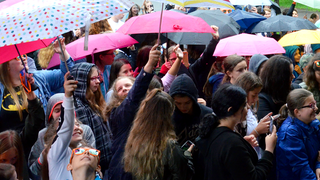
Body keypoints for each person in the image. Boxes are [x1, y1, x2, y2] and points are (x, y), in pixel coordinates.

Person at [196, 84, 277, 180]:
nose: (247, 109)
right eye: (244, 105)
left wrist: (243, 143)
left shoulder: (212, 131)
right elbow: (254, 177)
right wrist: (269, 150)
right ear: (231, 110)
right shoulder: (232, 143)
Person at [108, 44, 161, 180]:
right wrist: (149, 66)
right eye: (120, 89)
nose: (124, 89)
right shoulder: (118, 113)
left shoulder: (147, 109)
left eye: (128, 86)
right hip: (124, 171)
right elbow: (134, 97)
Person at [123, 89, 194, 180]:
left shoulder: (135, 138)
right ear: (168, 114)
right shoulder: (169, 145)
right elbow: (184, 175)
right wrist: (187, 156)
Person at [0, 38, 74, 118]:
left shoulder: (39, 78)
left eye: (24, 55)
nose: (24, 58)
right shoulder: (1, 89)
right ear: (7, 66)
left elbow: (68, 75)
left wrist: (63, 53)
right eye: (18, 57)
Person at [28, 93, 96, 177]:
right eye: (57, 111)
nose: (62, 114)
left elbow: (92, 162)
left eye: (65, 110)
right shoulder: (43, 135)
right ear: (50, 115)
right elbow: (34, 170)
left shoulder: (84, 130)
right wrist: (44, 156)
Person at [70, 63, 112, 175]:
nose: (98, 81)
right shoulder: (78, 106)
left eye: (98, 77)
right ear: (82, 81)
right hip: (96, 165)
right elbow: (86, 140)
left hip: (106, 162)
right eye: (93, 79)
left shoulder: (93, 100)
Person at [277, 89, 320, 180]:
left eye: (315, 103)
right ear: (297, 112)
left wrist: (318, 165)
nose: (316, 108)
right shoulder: (289, 133)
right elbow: (301, 167)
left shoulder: (312, 124)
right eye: (311, 105)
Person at [169, 74, 212, 145]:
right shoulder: (169, 117)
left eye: (187, 103)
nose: (183, 107)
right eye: (178, 103)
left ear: (194, 100)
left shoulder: (207, 115)